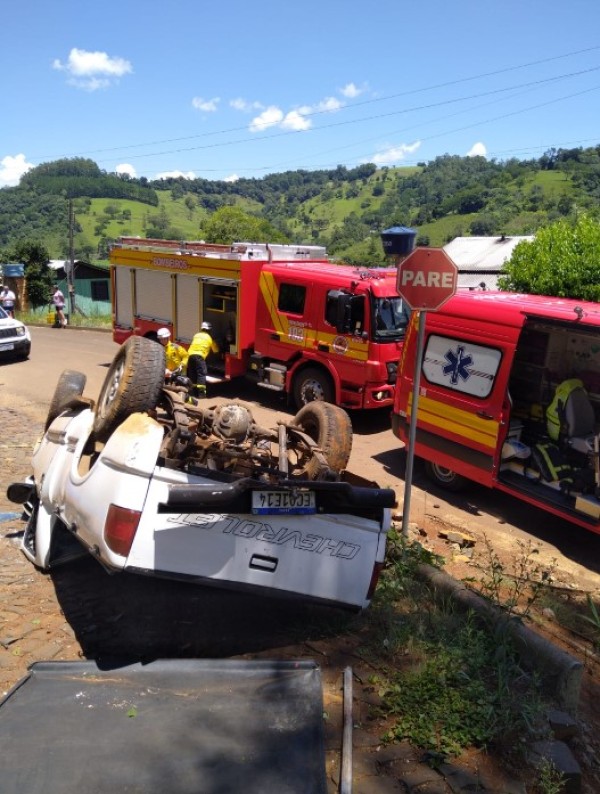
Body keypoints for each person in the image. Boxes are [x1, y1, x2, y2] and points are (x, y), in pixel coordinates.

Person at [187, 321, 219, 398]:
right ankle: (201, 395)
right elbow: (216, 350)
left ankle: (193, 393)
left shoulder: (196, 335)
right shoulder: (209, 338)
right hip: (199, 357)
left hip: (190, 356)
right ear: (209, 330)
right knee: (201, 374)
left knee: (193, 374)